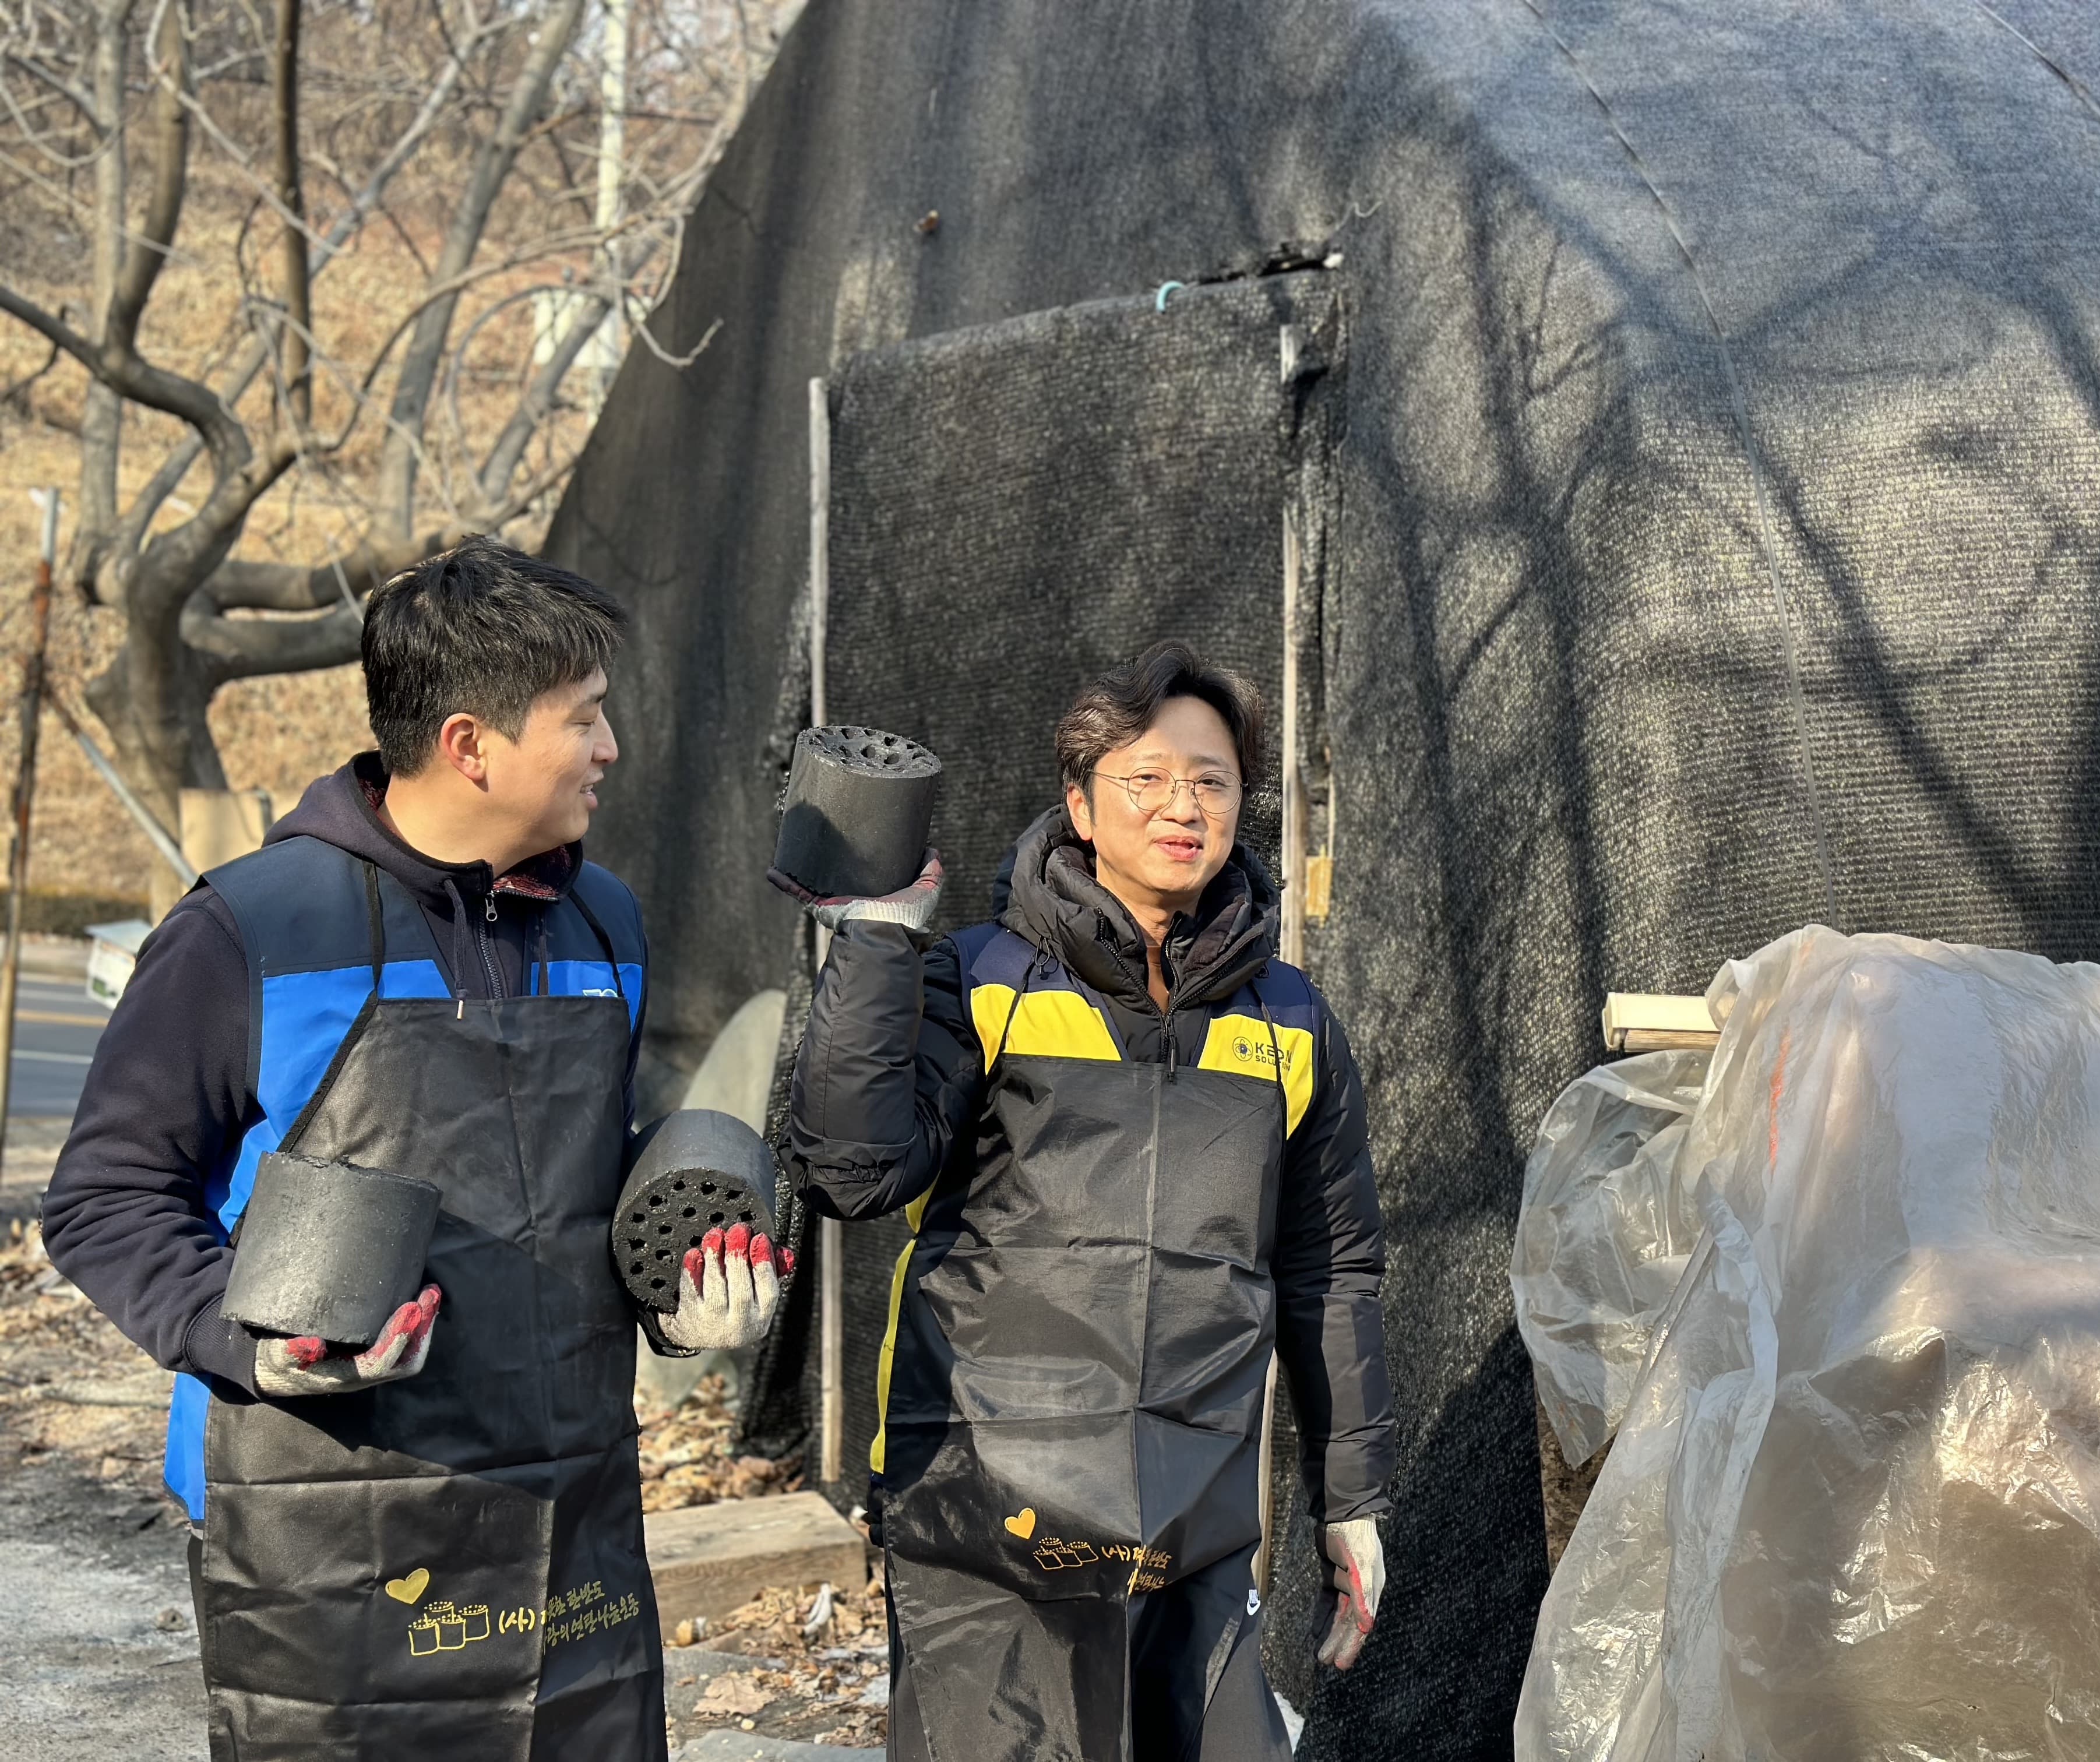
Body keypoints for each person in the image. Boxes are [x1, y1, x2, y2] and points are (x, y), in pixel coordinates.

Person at [41, 537, 777, 1760]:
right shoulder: (250, 929)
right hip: (322, 1514)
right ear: (470, 744)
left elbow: (574, 1183)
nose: (609, 748)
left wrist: (680, 1299)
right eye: (584, 718)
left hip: (567, 1499)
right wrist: (241, 1339)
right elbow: (105, 1198)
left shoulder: (605, 922)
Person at [776, 640, 1397, 1762]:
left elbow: (1331, 1270)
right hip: (985, 1508)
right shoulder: (983, 980)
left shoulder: (1293, 1023)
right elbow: (851, 1172)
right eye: (1146, 778)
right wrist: (877, 939)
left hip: (1192, 1514)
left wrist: (1350, 1500)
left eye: (1211, 781)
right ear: (1080, 804)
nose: (1183, 806)